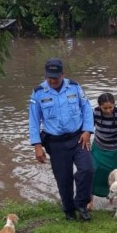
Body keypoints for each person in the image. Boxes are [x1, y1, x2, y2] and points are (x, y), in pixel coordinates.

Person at [29, 58, 94, 222]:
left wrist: (87, 131)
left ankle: (81, 204)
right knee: (63, 178)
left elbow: (86, 108)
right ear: (46, 75)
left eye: (56, 77)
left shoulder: (74, 87)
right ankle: (69, 210)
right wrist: (37, 145)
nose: (53, 81)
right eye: (49, 77)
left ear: (63, 74)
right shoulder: (38, 93)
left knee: (87, 169)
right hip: (56, 143)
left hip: (79, 138)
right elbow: (34, 120)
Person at [88, 93, 117, 210]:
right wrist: (87, 141)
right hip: (99, 147)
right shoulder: (95, 113)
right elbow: (88, 128)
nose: (108, 110)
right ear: (99, 106)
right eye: (105, 108)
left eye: (111, 107)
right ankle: (90, 202)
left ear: (114, 105)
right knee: (92, 172)